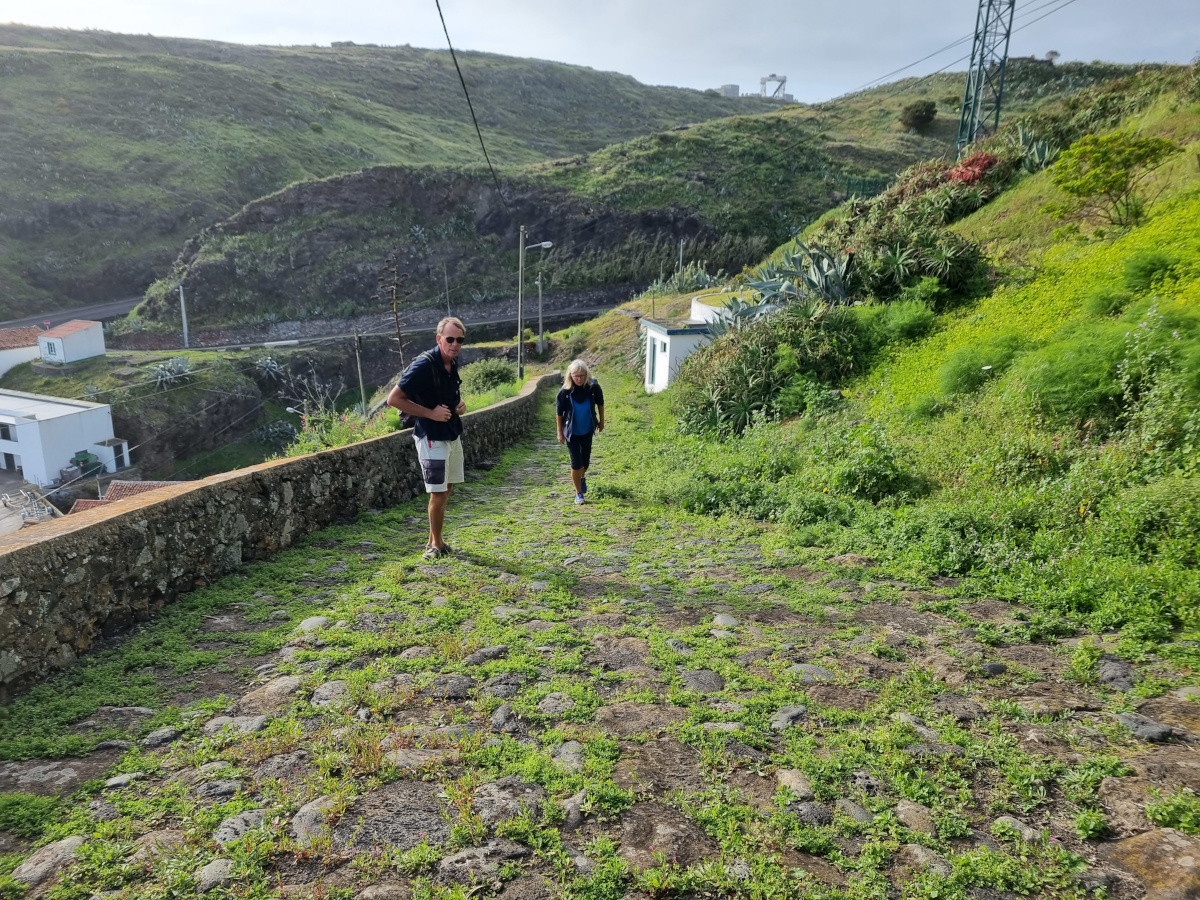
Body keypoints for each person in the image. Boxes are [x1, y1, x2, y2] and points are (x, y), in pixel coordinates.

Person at [387, 317, 468, 558]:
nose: (454, 344)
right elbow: (394, 399)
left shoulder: (451, 363)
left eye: (459, 340)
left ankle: (436, 540)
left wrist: (459, 405)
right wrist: (430, 413)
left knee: (448, 486)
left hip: (451, 433)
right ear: (439, 339)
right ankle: (434, 546)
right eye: (450, 339)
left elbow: (447, 395)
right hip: (431, 436)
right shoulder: (423, 365)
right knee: (438, 492)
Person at [555, 359, 604, 505]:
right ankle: (579, 493)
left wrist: (602, 421)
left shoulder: (593, 387)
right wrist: (559, 432)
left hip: (587, 428)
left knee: (585, 461)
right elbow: (559, 413)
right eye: (575, 376)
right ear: (570, 375)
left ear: (586, 375)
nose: (579, 379)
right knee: (576, 463)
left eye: (582, 376)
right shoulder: (565, 391)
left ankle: (581, 477)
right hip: (571, 431)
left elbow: (600, 404)